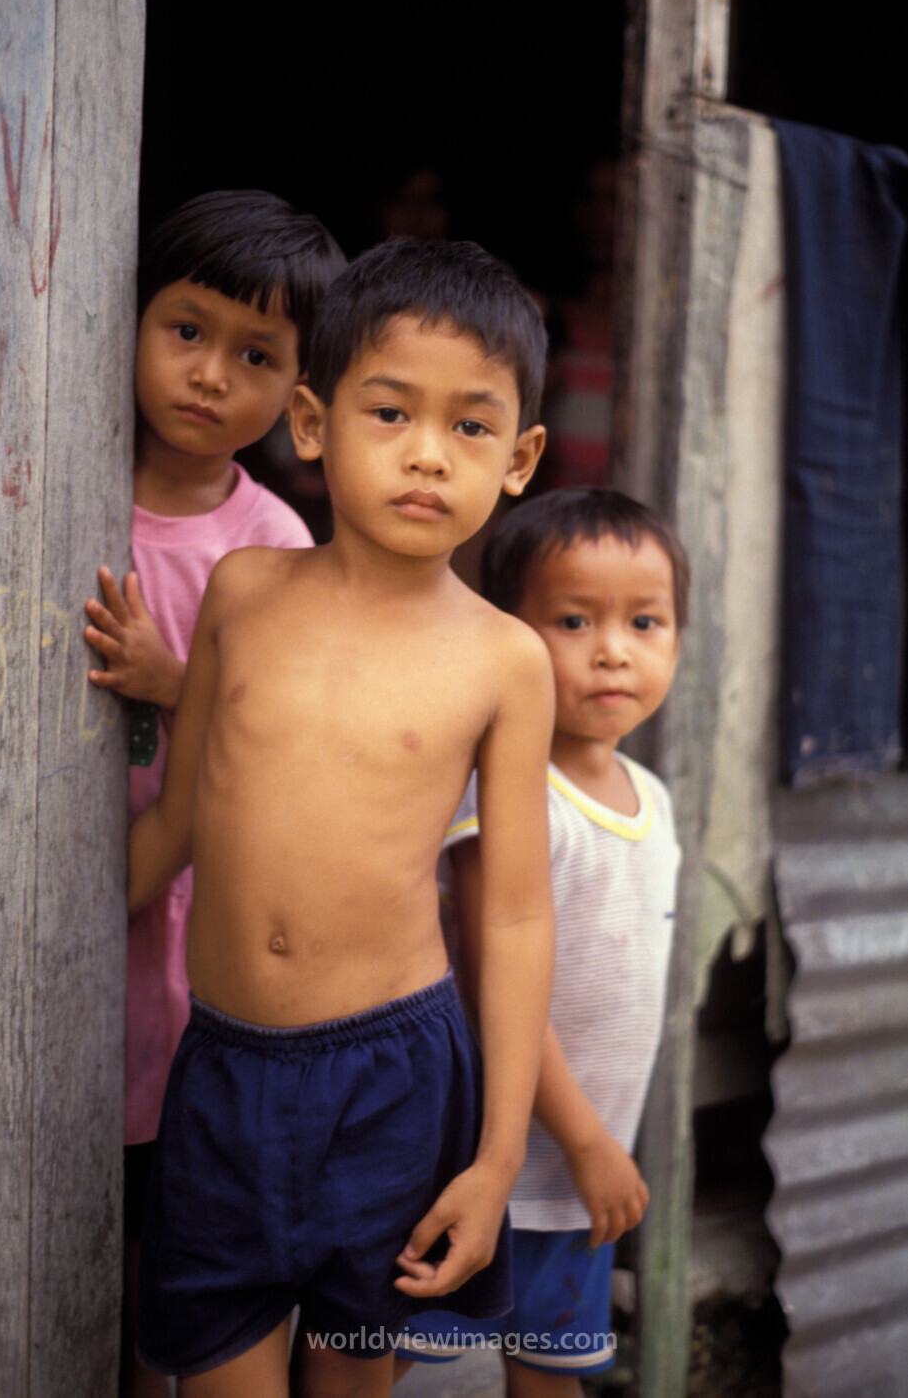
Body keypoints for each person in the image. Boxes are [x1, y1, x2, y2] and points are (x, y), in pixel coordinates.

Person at [127, 237, 556, 1398]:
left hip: (394, 1086)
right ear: (311, 427)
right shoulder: (245, 593)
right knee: (214, 1368)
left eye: (469, 428)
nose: (426, 456)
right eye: (388, 412)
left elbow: (511, 914)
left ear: (517, 460)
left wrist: (496, 1157)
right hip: (219, 1068)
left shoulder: (505, 662)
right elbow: (183, 812)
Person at [82, 188, 346, 1398]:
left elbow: (288, 725)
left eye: (254, 358)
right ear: (130, 321)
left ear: (298, 400)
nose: (207, 377)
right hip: (76, 880)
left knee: (163, 1206)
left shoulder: (279, 544)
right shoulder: (62, 483)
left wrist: (170, 677)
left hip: (195, 909)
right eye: (185, 331)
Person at [401, 487, 686, 1396]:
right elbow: (494, 985)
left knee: (550, 1371)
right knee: (383, 1354)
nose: (613, 649)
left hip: (575, 1184)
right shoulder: (510, 795)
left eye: (646, 621)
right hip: (482, 1164)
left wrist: (595, 1152)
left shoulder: (655, 798)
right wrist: (589, 1139)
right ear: (509, 634)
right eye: (573, 620)